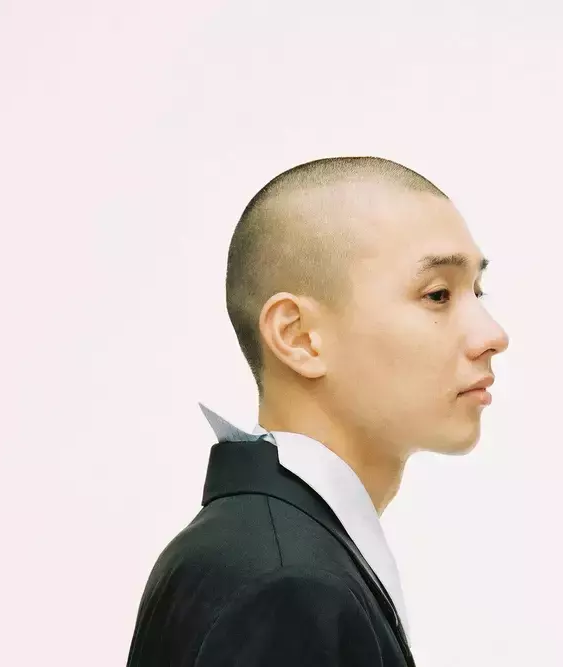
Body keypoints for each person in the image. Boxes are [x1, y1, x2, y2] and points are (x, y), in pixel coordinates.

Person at [125, 156, 510, 666]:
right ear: (299, 337)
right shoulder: (288, 586)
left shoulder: (257, 551)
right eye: (438, 294)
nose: (493, 335)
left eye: (477, 291)